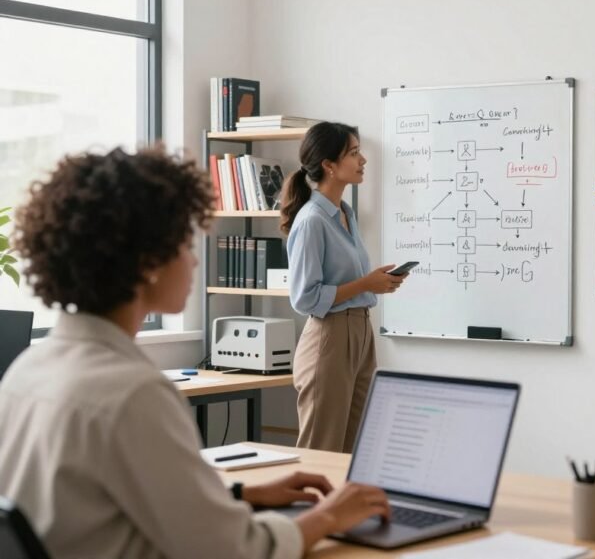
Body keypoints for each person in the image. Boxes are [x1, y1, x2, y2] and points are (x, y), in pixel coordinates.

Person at [0, 146, 390, 559]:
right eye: (187, 244)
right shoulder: (133, 394)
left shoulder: (27, 370)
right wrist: (329, 516)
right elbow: (236, 550)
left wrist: (241, 492)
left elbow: (108, 495)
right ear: (149, 263)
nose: (195, 261)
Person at [280, 122, 406, 453]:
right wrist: (366, 283)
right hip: (329, 338)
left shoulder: (345, 213)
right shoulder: (312, 221)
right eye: (353, 153)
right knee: (321, 452)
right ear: (329, 165)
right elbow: (305, 297)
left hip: (360, 333)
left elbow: (346, 281)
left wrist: (375, 284)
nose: (362, 160)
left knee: (356, 452)